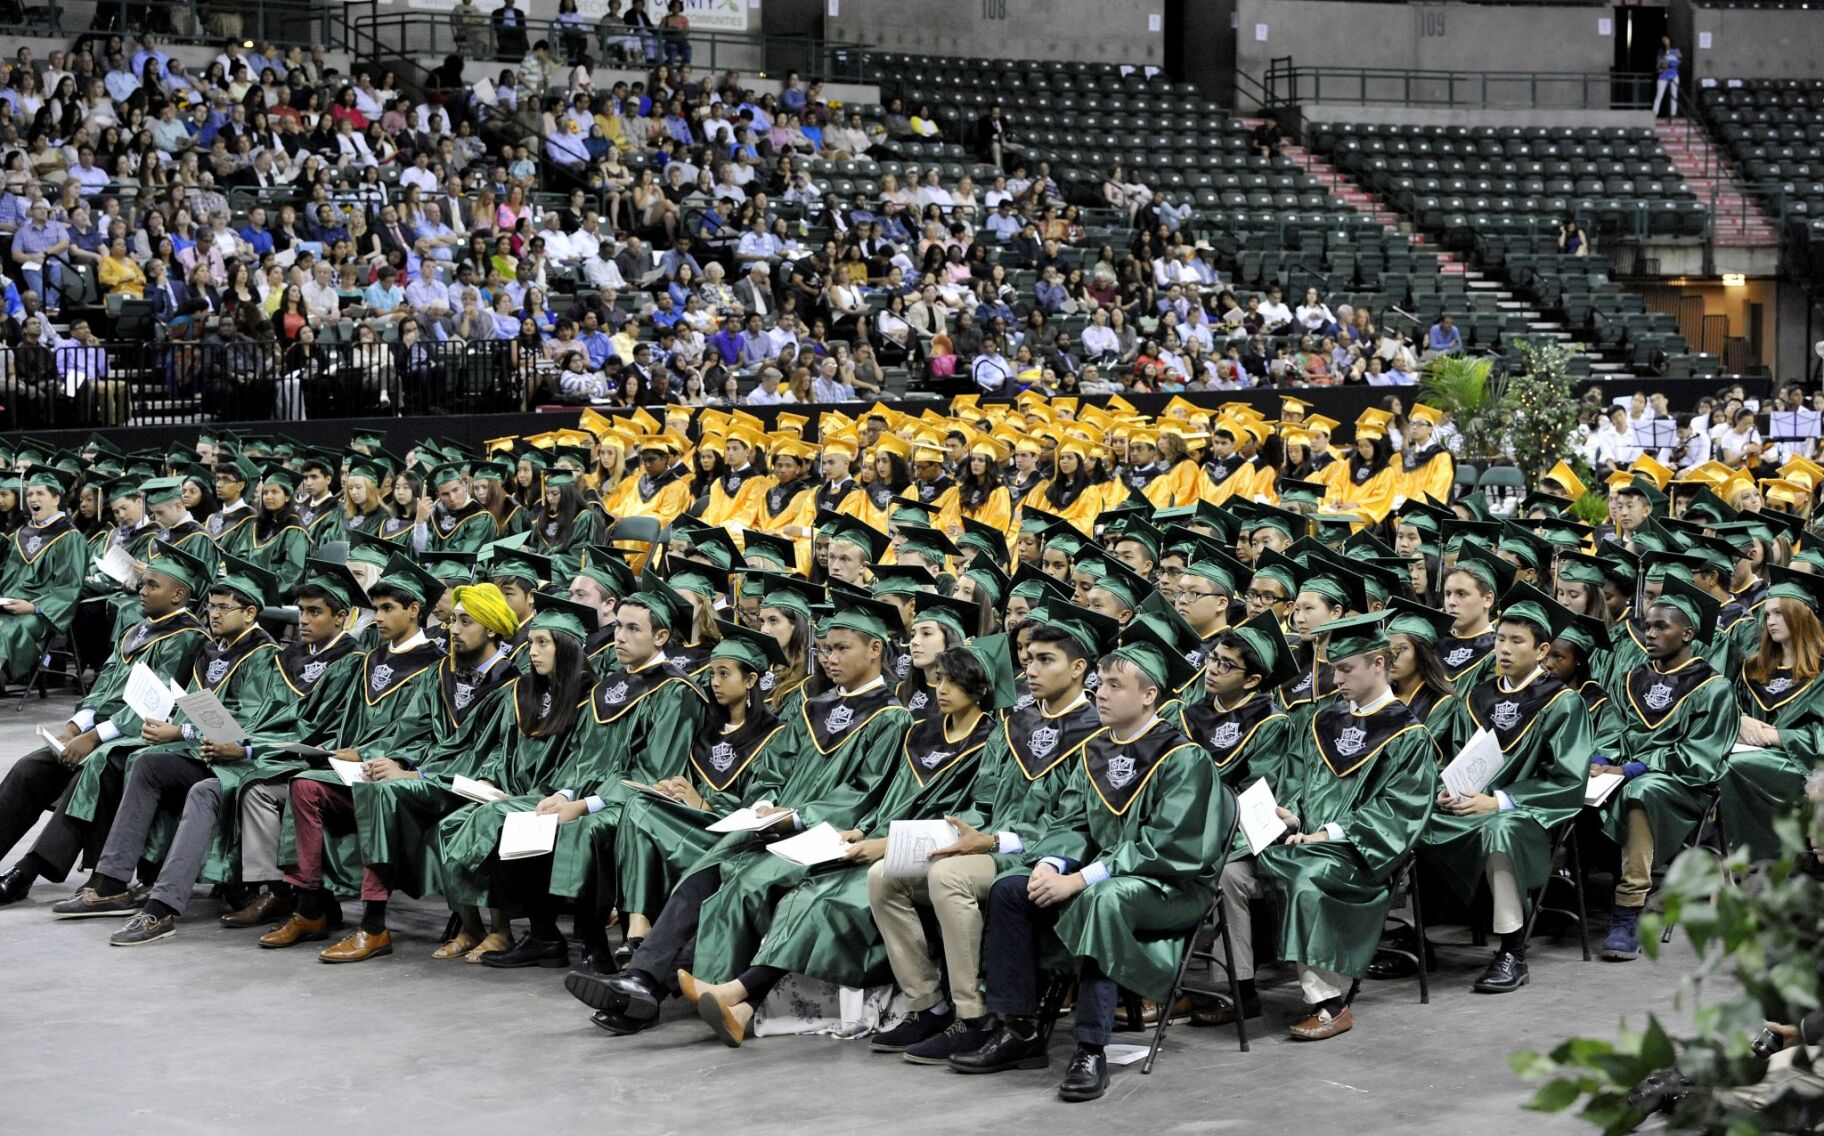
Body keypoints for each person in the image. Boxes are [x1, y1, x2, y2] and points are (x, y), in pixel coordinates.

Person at [561, 591, 912, 1036]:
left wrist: (796, 816)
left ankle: (653, 988)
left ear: (876, 649)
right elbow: (773, 771)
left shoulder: (891, 718)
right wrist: (764, 805)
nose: (829, 658)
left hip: (825, 838)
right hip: (773, 829)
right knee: (705, 872)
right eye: (825, 649)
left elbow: (865, 792)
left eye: (842, 649)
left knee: (744, 885)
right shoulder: (813, 709)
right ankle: (641, 978)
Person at [949, 616, 1220, 1102]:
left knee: (1103, 900)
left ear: (1149, 696)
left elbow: (1169, 847)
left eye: (1115, 685)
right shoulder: (1096, 747)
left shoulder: (1183, 757)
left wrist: (1081, 879)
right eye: (1100, 683)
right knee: (1012, 888)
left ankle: (1091, 1047)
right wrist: (1052, 863)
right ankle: (1020, 1029)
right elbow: (1073, 821)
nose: (1101, 693)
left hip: (1171, 885)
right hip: (1109, 875)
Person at [49, 555, 297, 940]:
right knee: (145, 761)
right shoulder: (214, 651)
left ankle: (159, 906)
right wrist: (175, 727)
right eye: (211, 607)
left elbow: (244, 724)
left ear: (250, 613)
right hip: (202, 750)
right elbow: (194, 704)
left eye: (224, 608)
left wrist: (181, 732)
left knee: (156, 767)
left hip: (237, 762)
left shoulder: (265, 656)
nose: (213, 615)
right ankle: (112, 880)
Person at [1220, 610, 1438, 1040]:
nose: (1335, 679)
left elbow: (1400, 810)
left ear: (1378, 663)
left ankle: (1329, 1004)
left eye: (1346, 669)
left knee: (1304, 877)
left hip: (1360, 854)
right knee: (1229, 872)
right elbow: (1300, 784)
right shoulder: (1324, 721)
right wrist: (1292, 814)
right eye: (1333, 668)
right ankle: (1242, 989)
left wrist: (1329, 833)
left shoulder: (1408, 733)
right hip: (1302, 844)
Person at [0, 541, 207, 906]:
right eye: (143, 583)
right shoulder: (136, 630)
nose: (141, 590)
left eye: (152, 585)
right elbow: (104, 685)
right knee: (30, 768)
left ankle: (26, 872)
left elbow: (154, 705)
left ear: (178, 595)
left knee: (90, 773)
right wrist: (75, 726)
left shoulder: (187, 638)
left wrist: (95, 737)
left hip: (144, 737)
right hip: (101, 732)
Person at [1415, 586, 1592, 994]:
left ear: (1542, 649)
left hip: (1528, 815)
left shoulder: (1562, 703)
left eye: (1517, 641)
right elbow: (1455, 756)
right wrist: (1448, 789)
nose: (1504, 649)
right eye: (1500, 639)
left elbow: (1567, 779)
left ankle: (1513, 950)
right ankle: (1418, 938)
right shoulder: (1479, 696)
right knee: (1417, 816)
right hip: (1471, 806)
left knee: (1500, 829)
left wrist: (1499, 802)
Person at [1593, 577, 1738, 961]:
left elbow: (1701, 756)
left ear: (1687, 633)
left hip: (1683, 786)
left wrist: (1635, 769)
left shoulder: (1713, 687)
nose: (1650, 634)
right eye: (1648, 625)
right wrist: (1601, 760)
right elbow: (1611, 729)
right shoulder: (1632, 678)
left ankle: (1628, 909)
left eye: (1662, 626)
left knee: (1641, 790)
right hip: (1624, 775)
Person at [1718, 567, 1824, 861]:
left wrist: (1777, 737)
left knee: (1732, 765)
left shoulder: (1820, 672)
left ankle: (1750, 857)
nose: (1771, 621)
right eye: (1767, 615)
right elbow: (1729, 707)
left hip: (1801, 765)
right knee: (1721, 761)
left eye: (1779, 613)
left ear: (1801, 615)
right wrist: (1740, 721)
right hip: (1750, 753)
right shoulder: (1754, 669)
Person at [1653, 36, 1681, 119]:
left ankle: (1673, 114)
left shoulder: (1675, 51)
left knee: (1674, 95)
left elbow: (1678, 61)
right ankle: (1654, 113)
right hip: (1663, 75)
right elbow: (1659, 65)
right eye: (1663, 40)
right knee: (1659, 95)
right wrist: (1665, 64)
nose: (1665, 41)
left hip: (1673, 75)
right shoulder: (1660, 52)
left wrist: (1672, 61)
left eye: (1666, 39)